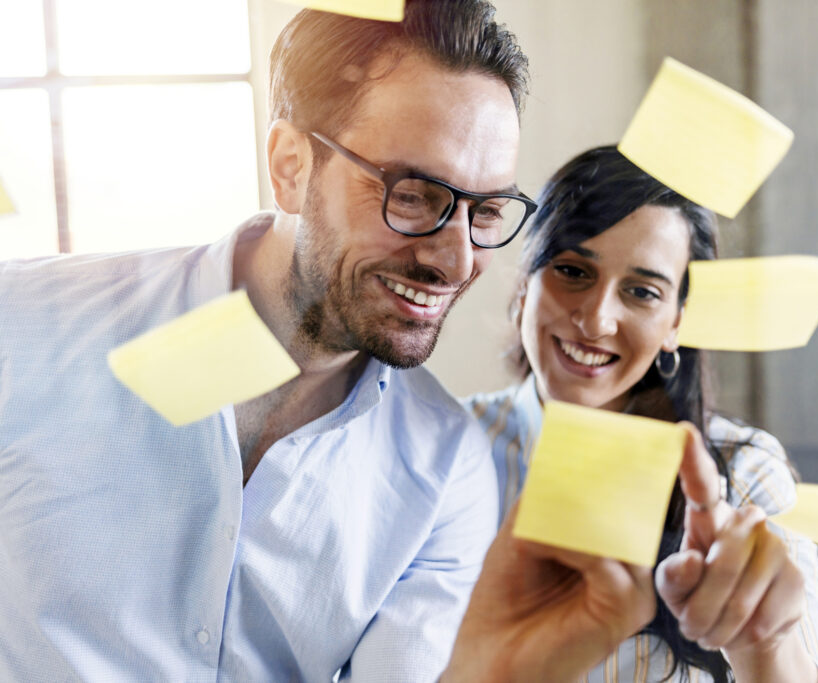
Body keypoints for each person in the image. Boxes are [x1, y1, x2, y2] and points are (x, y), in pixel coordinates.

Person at [0, 3, 539, 680]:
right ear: (289, 166)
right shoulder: (27, 328)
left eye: (486, 211)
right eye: (413, 194)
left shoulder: (444, 465)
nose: (457, 261)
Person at [464, 146, 818, 682]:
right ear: (526, 282)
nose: (596, 321)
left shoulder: (742, 471)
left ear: (675, 322)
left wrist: (766, 645)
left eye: (642, 292)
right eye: (572, 271)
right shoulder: (445, 446)